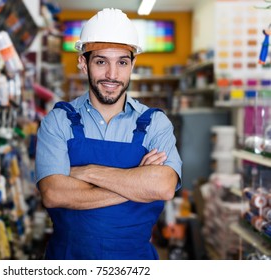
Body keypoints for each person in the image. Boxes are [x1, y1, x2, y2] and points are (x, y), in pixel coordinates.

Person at [35, 8, 182, 260]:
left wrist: (84, 172)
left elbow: (164, 187)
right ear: (84, 63)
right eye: (101, 61)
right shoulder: (59, 120)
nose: (112, 75)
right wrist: (136, 181)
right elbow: (53, 194)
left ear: (132, 64)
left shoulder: (156, 123)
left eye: (122, 62)